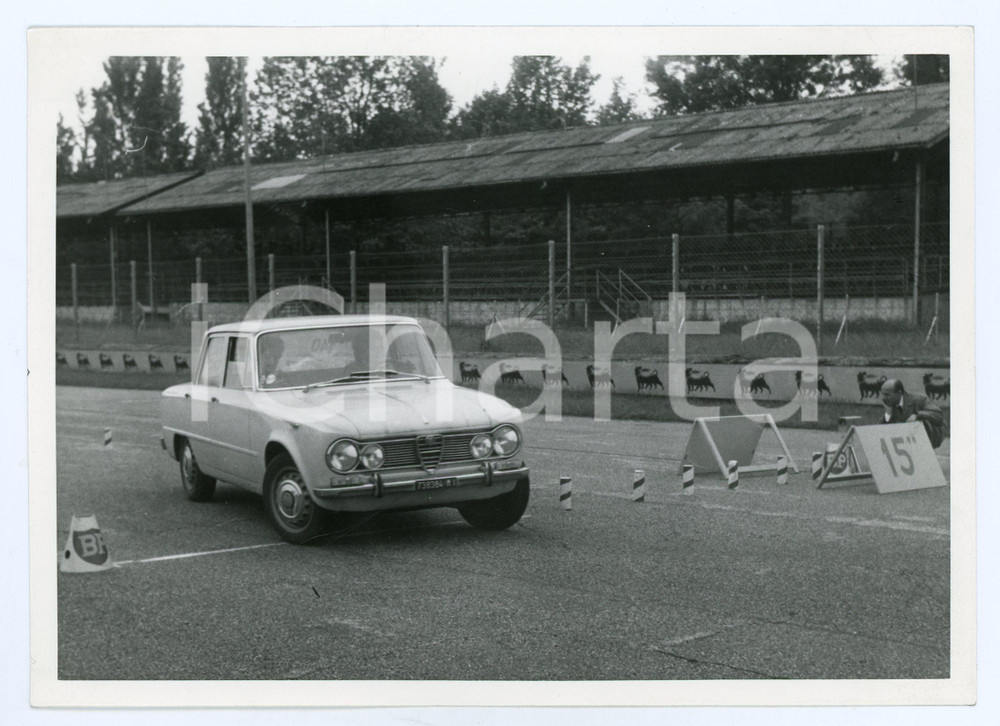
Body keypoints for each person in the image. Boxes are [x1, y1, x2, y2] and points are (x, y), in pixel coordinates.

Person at [878, 378, 945, 448]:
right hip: (908, 442)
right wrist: (888, 413)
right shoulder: (891, 404)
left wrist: (917, 415)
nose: (884, 398)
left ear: (899, 392)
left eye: (887, 395)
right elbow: (880, 430)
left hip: (930, 438)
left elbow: (939, 416)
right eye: (883, 394)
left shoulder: (920, 399)